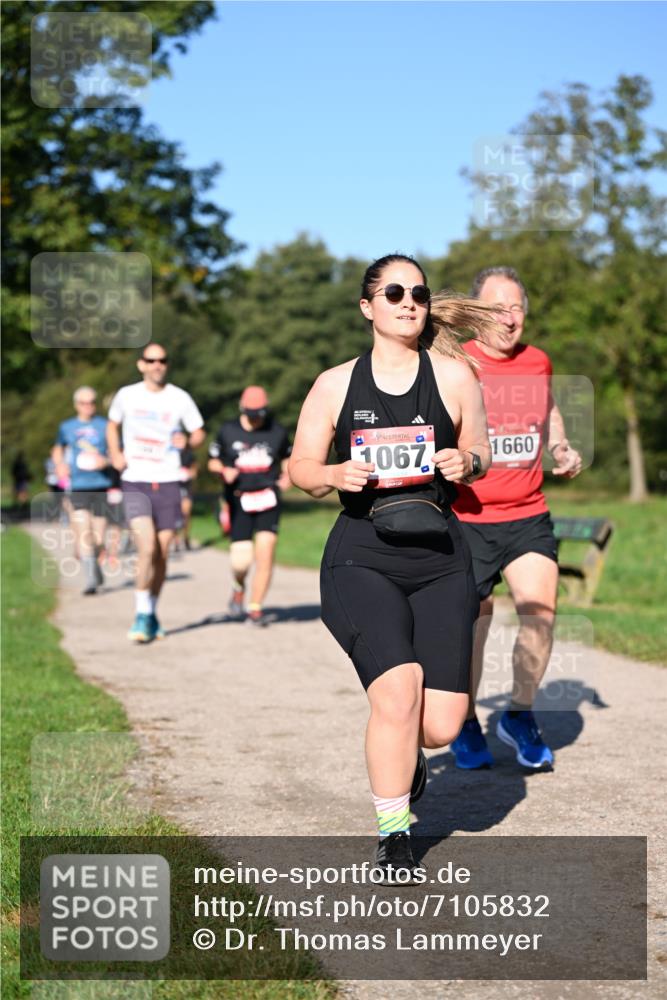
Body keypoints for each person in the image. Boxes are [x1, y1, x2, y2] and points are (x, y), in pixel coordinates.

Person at [288, 254, 496, 879]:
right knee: (398, 692)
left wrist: (468, 464)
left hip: (439, 557)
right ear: (367, 307)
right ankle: (394, 835)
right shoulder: (334, 384)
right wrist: (330, 474)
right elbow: (298, 468)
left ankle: (406, 756)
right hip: (361, 554)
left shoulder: (456, 378)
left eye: (419, 293)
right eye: (395, 292)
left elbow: (482, 450)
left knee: (440, 724)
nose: (410, 302)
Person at [451, 266, 583, 772]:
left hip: (528, 512)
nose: (509, 318)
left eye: (517, 308)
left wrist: (560, 446)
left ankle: (520, 714)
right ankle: (464, 721)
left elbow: (546, 408)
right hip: (469, 516)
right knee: (473, 628)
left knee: (540, 614)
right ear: (476, 313)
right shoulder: (456, 362)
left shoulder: (538, 362)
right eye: (497, 308)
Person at [107, 344, 205, 642]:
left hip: (168, 481)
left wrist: (187, 440)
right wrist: (115, 454)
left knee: (162, 554)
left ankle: (151, 612)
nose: (157, 365)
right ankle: (140, 614)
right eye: (151, 360)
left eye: (162, 360)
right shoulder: (127, 395)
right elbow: (112, 425)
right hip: (136, 479)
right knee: (147, 547)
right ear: (141, 365)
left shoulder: (179, 398)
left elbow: (199, 432)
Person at [208, 386, 291, 627]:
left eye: (259, 413)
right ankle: (238, 586)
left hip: (268, 498)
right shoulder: (228, 430)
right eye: (251, 413)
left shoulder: (276, 431)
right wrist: (224, 470)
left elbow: (287, 457)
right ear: (242, 409)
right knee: (241, 561)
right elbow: (212, 461)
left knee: (266, 550)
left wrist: (287, 476)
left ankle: (255, 608)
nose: (255, 418)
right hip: (238, 499)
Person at [52, 387, 113, 595]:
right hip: (78, 486)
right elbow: (57, 448)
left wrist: (105, 461)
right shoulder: (67, 427)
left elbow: (117, 453)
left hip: (101, 484)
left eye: (92, 402)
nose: (89, 406)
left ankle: (95, 564)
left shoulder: (105, 425)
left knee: (97, 538)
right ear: (76, 404)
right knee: (83, 534)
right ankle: (91, 580)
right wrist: (59, 464)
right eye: (84, 403)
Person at [172, 430, 198, 551]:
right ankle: (176, 540)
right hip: (172, 487)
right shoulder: (169, 454)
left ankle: (186, 537)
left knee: (185, 514)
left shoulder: (189, 454)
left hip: (186, 487)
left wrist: (188, 474)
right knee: (174, 515)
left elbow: (194, 471)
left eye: (181, 439)